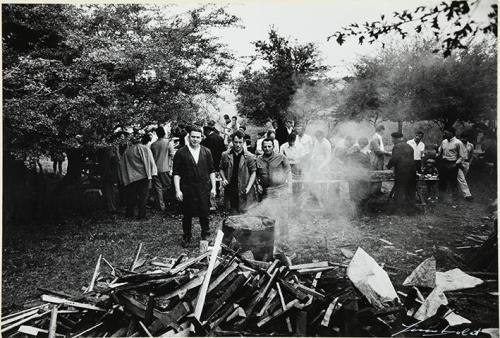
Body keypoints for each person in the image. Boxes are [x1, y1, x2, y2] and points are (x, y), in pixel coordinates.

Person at [173, 126, 216, 247]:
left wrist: (213, 187)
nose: (195, 139)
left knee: (205, 213)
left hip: (203, 188)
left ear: (201, 138)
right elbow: (176, 173)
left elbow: (212, 170)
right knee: (187, 214)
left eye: (198, 137)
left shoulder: (206, 152)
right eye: (193, 137)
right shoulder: (181, 152)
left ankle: (206, 235)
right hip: (187, 189)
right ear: (189, 137)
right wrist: (178, 190)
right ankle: (187, 236)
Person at [119, 132, 157, 219]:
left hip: (131, 176)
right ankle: (141, 215)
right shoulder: (144, 149)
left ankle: (129, 214)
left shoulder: (128, 150)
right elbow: (150, 162)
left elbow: (122, 163)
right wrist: (153, 173)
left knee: (131, 196)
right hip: (143, 176)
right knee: (143, 197)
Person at [219, 131, 257, 214]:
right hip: (231, 188)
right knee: (232, 212)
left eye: (240, 142)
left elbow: (253, 172)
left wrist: (249, 187)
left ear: (243, 142)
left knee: (244, 212)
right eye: (236, 142)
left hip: (244, 188)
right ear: (232, 142)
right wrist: (224, 179)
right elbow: (221, 168)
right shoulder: (225, 154)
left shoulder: (249, 156)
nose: (238, 145)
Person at [387, 132, 417, 214]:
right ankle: (411, 210)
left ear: (396, 139)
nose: (392, 140)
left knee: (399, 190)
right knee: (410, 190)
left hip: (402, 172)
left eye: (392, 139)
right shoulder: (409, 146)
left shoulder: (396, 147)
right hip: (412, 171)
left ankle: (398, 210)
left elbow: (394, 159)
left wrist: (388, 166)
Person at [150, 126, 175, 212]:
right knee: (168, 186)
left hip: (155, 169)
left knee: (158, 188)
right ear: (164, 133)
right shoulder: (168, 143)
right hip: (165, 168)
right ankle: (169, 203)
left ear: (157, 134)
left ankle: (161, 206)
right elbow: (172, 155)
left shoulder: (153, 145)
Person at [437, 127, 465, 201]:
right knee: (442, 180)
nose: (444, 134)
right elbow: (440, 152)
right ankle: (441, 196)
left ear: (451, 133)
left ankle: (455, 198)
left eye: (446, 133)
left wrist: (455, 164)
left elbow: (462, 156)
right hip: (444, 163)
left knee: (453, 181)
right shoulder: (444, 142)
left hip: (453, 164)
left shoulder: (458, 143)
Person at [370, 125, 392, 194]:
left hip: (379, 159)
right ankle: (373, 192)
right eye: (383, 130)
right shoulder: (375, 138)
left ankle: (378, 191)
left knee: (380, 174)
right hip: (376, 160)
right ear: (381, 130)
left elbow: (380, 149)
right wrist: (388, 153)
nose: (384, 132)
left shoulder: (379, 137)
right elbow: (377, 151)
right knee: (376, 175)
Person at [457, 133, 474, 201]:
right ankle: (467, 195)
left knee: (462, 178)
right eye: (462, 138)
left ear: (467, 138)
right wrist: (458, 163)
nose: (463, 139)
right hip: (459, 162)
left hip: (466, 163)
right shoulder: (458, 144)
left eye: (465, 138)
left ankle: (456, 190)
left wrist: (469, 163)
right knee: (462, 179)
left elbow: (471, 154)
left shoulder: (470, 145)